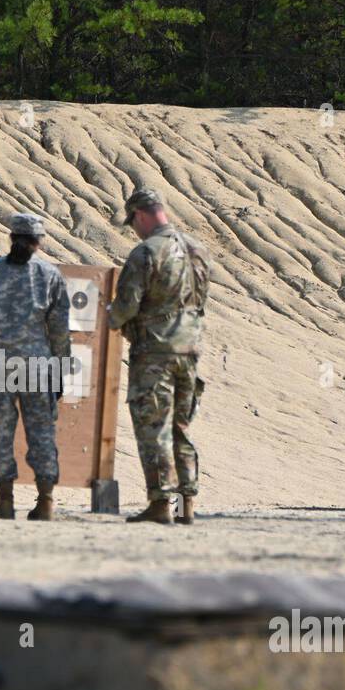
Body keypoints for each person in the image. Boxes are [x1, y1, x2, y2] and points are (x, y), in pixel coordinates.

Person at [108, 187, 210, 525]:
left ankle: (161, 504)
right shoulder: (198, 250)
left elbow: (125, 307)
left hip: (154, 352)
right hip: (189, 350)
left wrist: (108, 318)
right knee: (181, 428)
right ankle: (186, 506)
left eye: (133, 223)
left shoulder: (146, 252)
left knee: (154, 428)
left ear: (139, 215)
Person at [0, 213, 71, 520]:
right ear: (38, 243)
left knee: (0, 432)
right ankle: (46, 501)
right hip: (37, 366)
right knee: (42, 433)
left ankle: (6, 501)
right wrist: (61, 370)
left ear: (12, 238)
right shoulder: (50, 275)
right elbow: (60, 329)